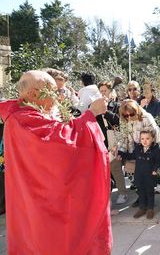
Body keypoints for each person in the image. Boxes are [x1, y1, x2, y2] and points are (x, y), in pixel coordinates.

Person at [0, 70, 111, 254]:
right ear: (34, 94)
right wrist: (91, 114)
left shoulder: (22, 116)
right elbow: (61, 142)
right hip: (43, 209)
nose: (58, 97)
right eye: (52, 91)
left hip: (32, 204)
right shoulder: (24, 120)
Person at [117, 99, 160, 207]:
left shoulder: (146, 117)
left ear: (136, 110)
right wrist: (121, 151)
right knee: (138, 178)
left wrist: (150, 154)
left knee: (148, 177)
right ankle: (141, 197)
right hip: (137, 149)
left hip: (151, 150)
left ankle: (149, 202)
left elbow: (154, 137)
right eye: (125, 115)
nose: (128, 117)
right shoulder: (123, 120)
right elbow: (124, 137)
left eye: (131, 114)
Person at [119, 129, 160, 219]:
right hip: (139, 175)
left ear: (152, 139)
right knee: (141, 192)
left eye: (147, 138)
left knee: (149, 192)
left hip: (150, 176)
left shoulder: (156, 150)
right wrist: (121, 154)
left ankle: (150, 209)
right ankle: (142, 208)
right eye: (142, 139)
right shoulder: (138, 148)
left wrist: (155, 169)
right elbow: (131, 156)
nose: (144, 141)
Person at [98, 81, 127, 204]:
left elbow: (119, 121)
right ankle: (106, 195)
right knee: (103, 170)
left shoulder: (116, 105)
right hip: (101, 140)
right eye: (101, 91)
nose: (103, 93)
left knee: (115, 167)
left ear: (110, 92)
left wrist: (106, 112)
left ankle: (122, 193)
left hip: (114, 140)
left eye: (105, 91)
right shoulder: (95, 106)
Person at [139, 82, 160, 194]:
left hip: (156, 134)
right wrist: (141, 106)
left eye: (147, 89)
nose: (145, 92)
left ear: (153, 91)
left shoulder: (159, 103)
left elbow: (159, 119)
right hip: (144, 136)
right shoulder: (139, 102)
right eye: (143, 89)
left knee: (159, 159)